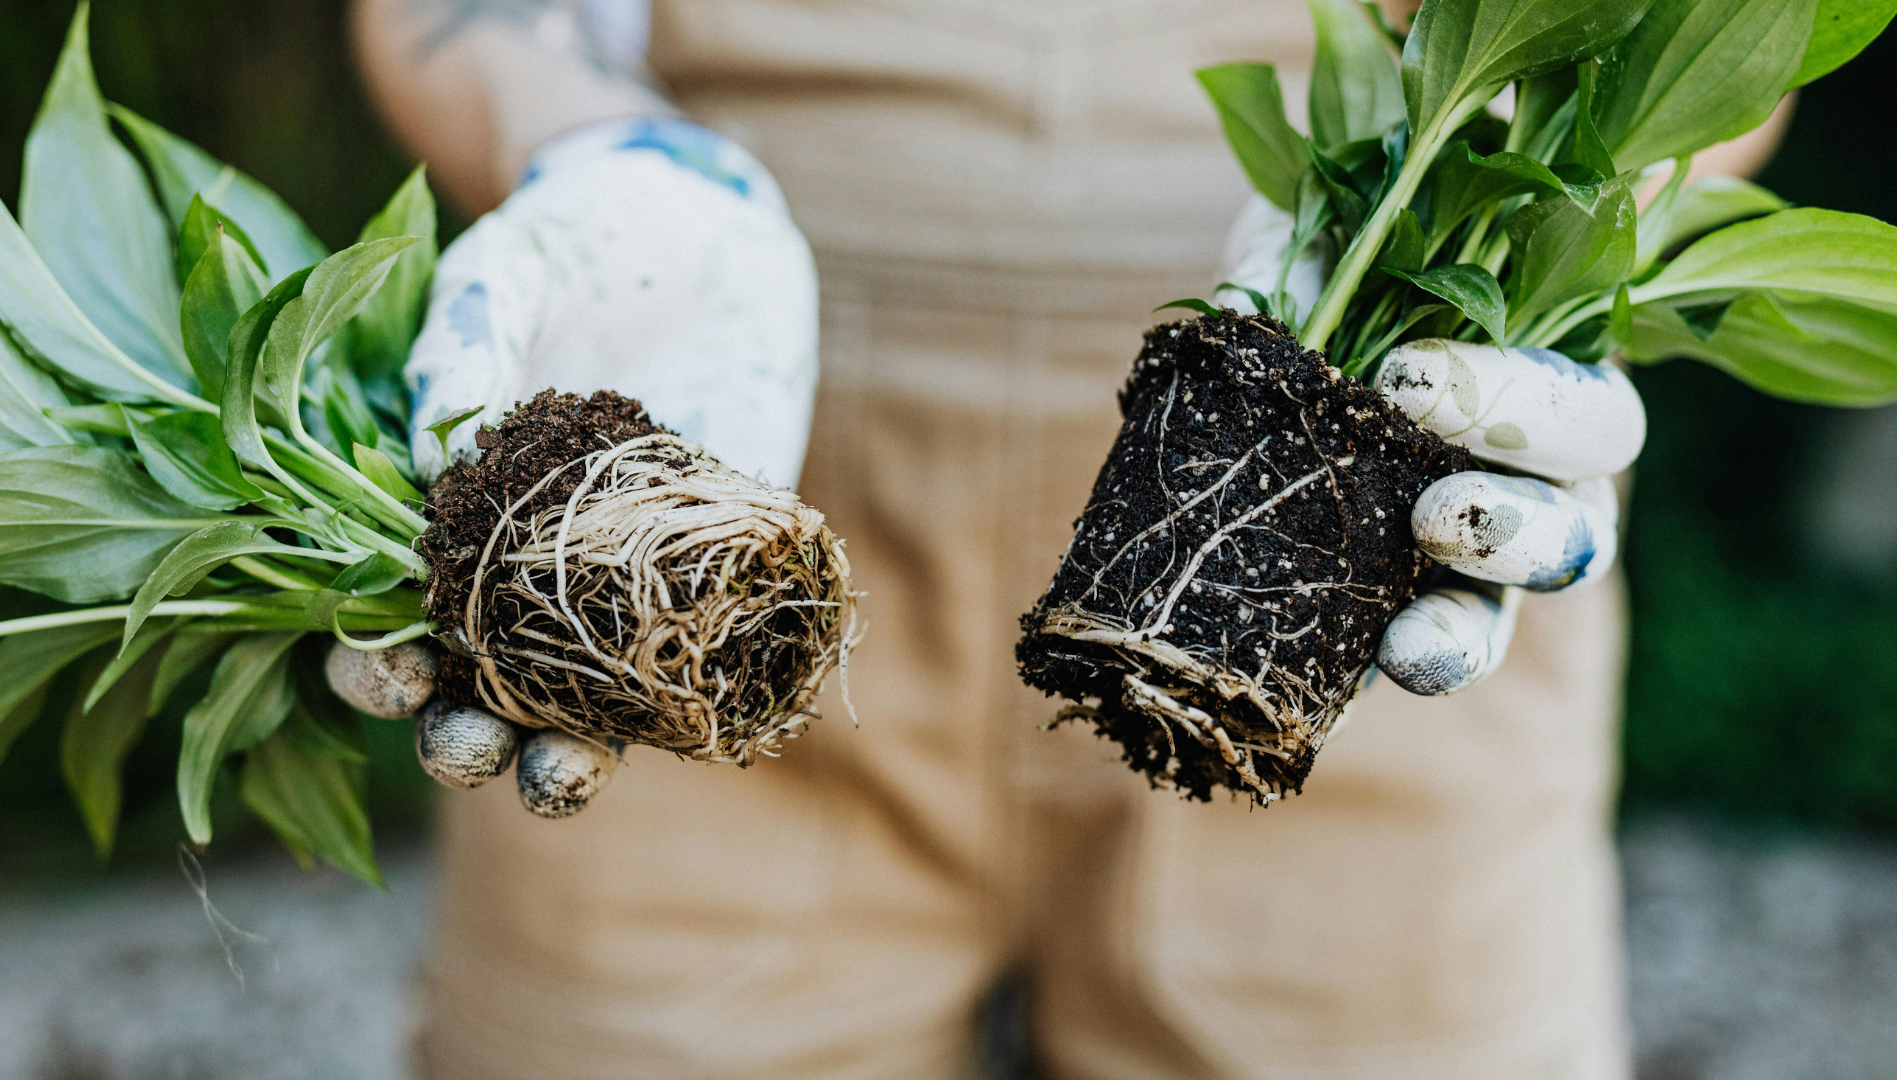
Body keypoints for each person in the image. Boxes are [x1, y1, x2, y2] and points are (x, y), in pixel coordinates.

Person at [340, 1, 1790, 1075]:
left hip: (1334, 504)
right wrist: (589, 147)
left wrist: (1504, 243)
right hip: (727, 488)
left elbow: (1716, 47)